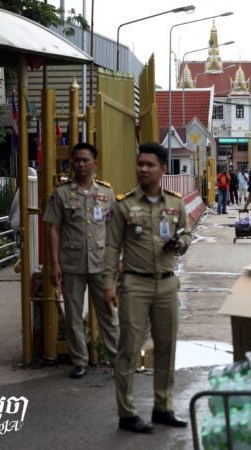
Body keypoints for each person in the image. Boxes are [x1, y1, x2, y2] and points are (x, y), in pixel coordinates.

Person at [102, 142, 192, 433]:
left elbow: (186, 234)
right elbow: (111, 247)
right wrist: (108, 284)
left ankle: (163, 407)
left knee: (166, 347)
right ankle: (126, 413)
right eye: (140, 164)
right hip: (135, 284)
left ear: (163, 169)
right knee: (129, 348)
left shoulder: (175, 203)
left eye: (149, 165)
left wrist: (180, 242)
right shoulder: (124, 203)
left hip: (166, 284)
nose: (143, 169)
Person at [42, 142, 119, 379]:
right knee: (73, 314)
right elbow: (53, 229)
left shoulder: (106, 194)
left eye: (86, 160)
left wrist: (117, 259)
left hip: (100, 264)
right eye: (77, 160)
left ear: (95, 164)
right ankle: (80, 361)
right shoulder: (62, 193)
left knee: (108, 313)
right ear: (72, 164)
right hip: (72, 263)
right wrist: (55, 264)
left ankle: (117, 360)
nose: (81, 164)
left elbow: (114, 229)